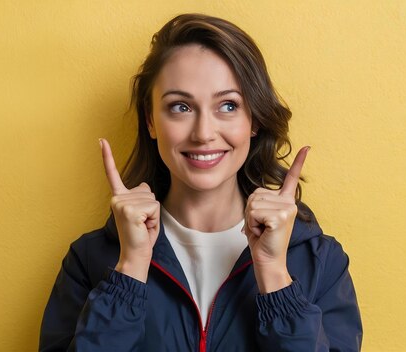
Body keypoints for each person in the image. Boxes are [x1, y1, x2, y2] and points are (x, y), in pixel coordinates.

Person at [39, 13, 362, 351]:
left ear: (253, 120)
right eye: (180, 106)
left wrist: (275, 278)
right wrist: (130, 270)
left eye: (228, 105)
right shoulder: (90, 260)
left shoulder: (320, 261)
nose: (204, 133)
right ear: (151, 121)